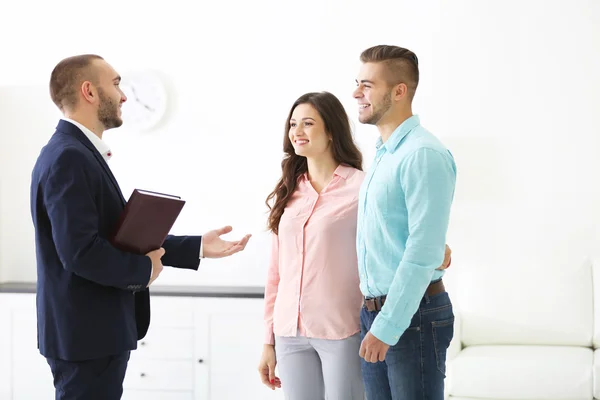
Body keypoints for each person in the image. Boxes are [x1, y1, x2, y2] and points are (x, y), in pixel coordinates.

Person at [30, 54, 251, 400]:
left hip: (91, 334)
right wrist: (144, 270)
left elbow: (117, 237)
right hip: (87, 335)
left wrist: (196, 247)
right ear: (89, 91)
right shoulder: (69, 157)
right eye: (116, 84)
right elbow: (80, 252)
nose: (124, 96)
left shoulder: (75, 153)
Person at [257, 91, 452, 399]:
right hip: (288, 332)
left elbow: (397, 237)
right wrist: (268, 341)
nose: (297, 131)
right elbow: (275, 274)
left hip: (341, 328)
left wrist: (437, 253)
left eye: (308, 123)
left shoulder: (362, 186)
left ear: (332, 130)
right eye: (293, 124)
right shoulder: (289, 192)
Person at [353, 45, 457, 399]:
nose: (356, 93)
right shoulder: (384, 156)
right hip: (377, 312)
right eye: (357, 83)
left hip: (411, 316)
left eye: (367, 85)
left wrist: (388, 325)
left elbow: (422, 250)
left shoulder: (422, 154)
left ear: (399, 91)